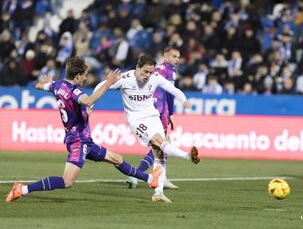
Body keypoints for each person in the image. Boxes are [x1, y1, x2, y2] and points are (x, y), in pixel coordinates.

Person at [6, 56, 161, 203]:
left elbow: (39, 85)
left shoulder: (57, 85)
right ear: (78, 76)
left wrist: (44, 84)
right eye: (85, 75)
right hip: (78, 141)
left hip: (85, 140)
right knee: (67, 181)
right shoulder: (74, 91)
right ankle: (22, 189)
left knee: (117, 158)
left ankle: (150, 179)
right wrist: (107, 84)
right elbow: (88, 100)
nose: (86, 78)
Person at [93, 54, 200, 203]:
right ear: (137, 67)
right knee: (158, 141)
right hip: (136, 120)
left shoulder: (155, 78)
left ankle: (158, 193)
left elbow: (173, 90)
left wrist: (184, 100)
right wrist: (90, 104)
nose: (147, 76)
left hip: (152, 116)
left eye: (150, 72)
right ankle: (186, 156)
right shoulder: (125, 78)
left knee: (159, 153)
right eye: (145, 71)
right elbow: (102, 85)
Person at [126, 46, 181, 190]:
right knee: (161, 144)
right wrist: (171, 113)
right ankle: (136, 174)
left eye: (178, 57)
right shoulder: (170, 71)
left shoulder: (156, 70)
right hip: (160, 110)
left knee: (163, 143)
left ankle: (163, 177)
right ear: (166, 57)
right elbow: (170, 94)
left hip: (149, 107)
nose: (177, 60)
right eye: (174, 56)